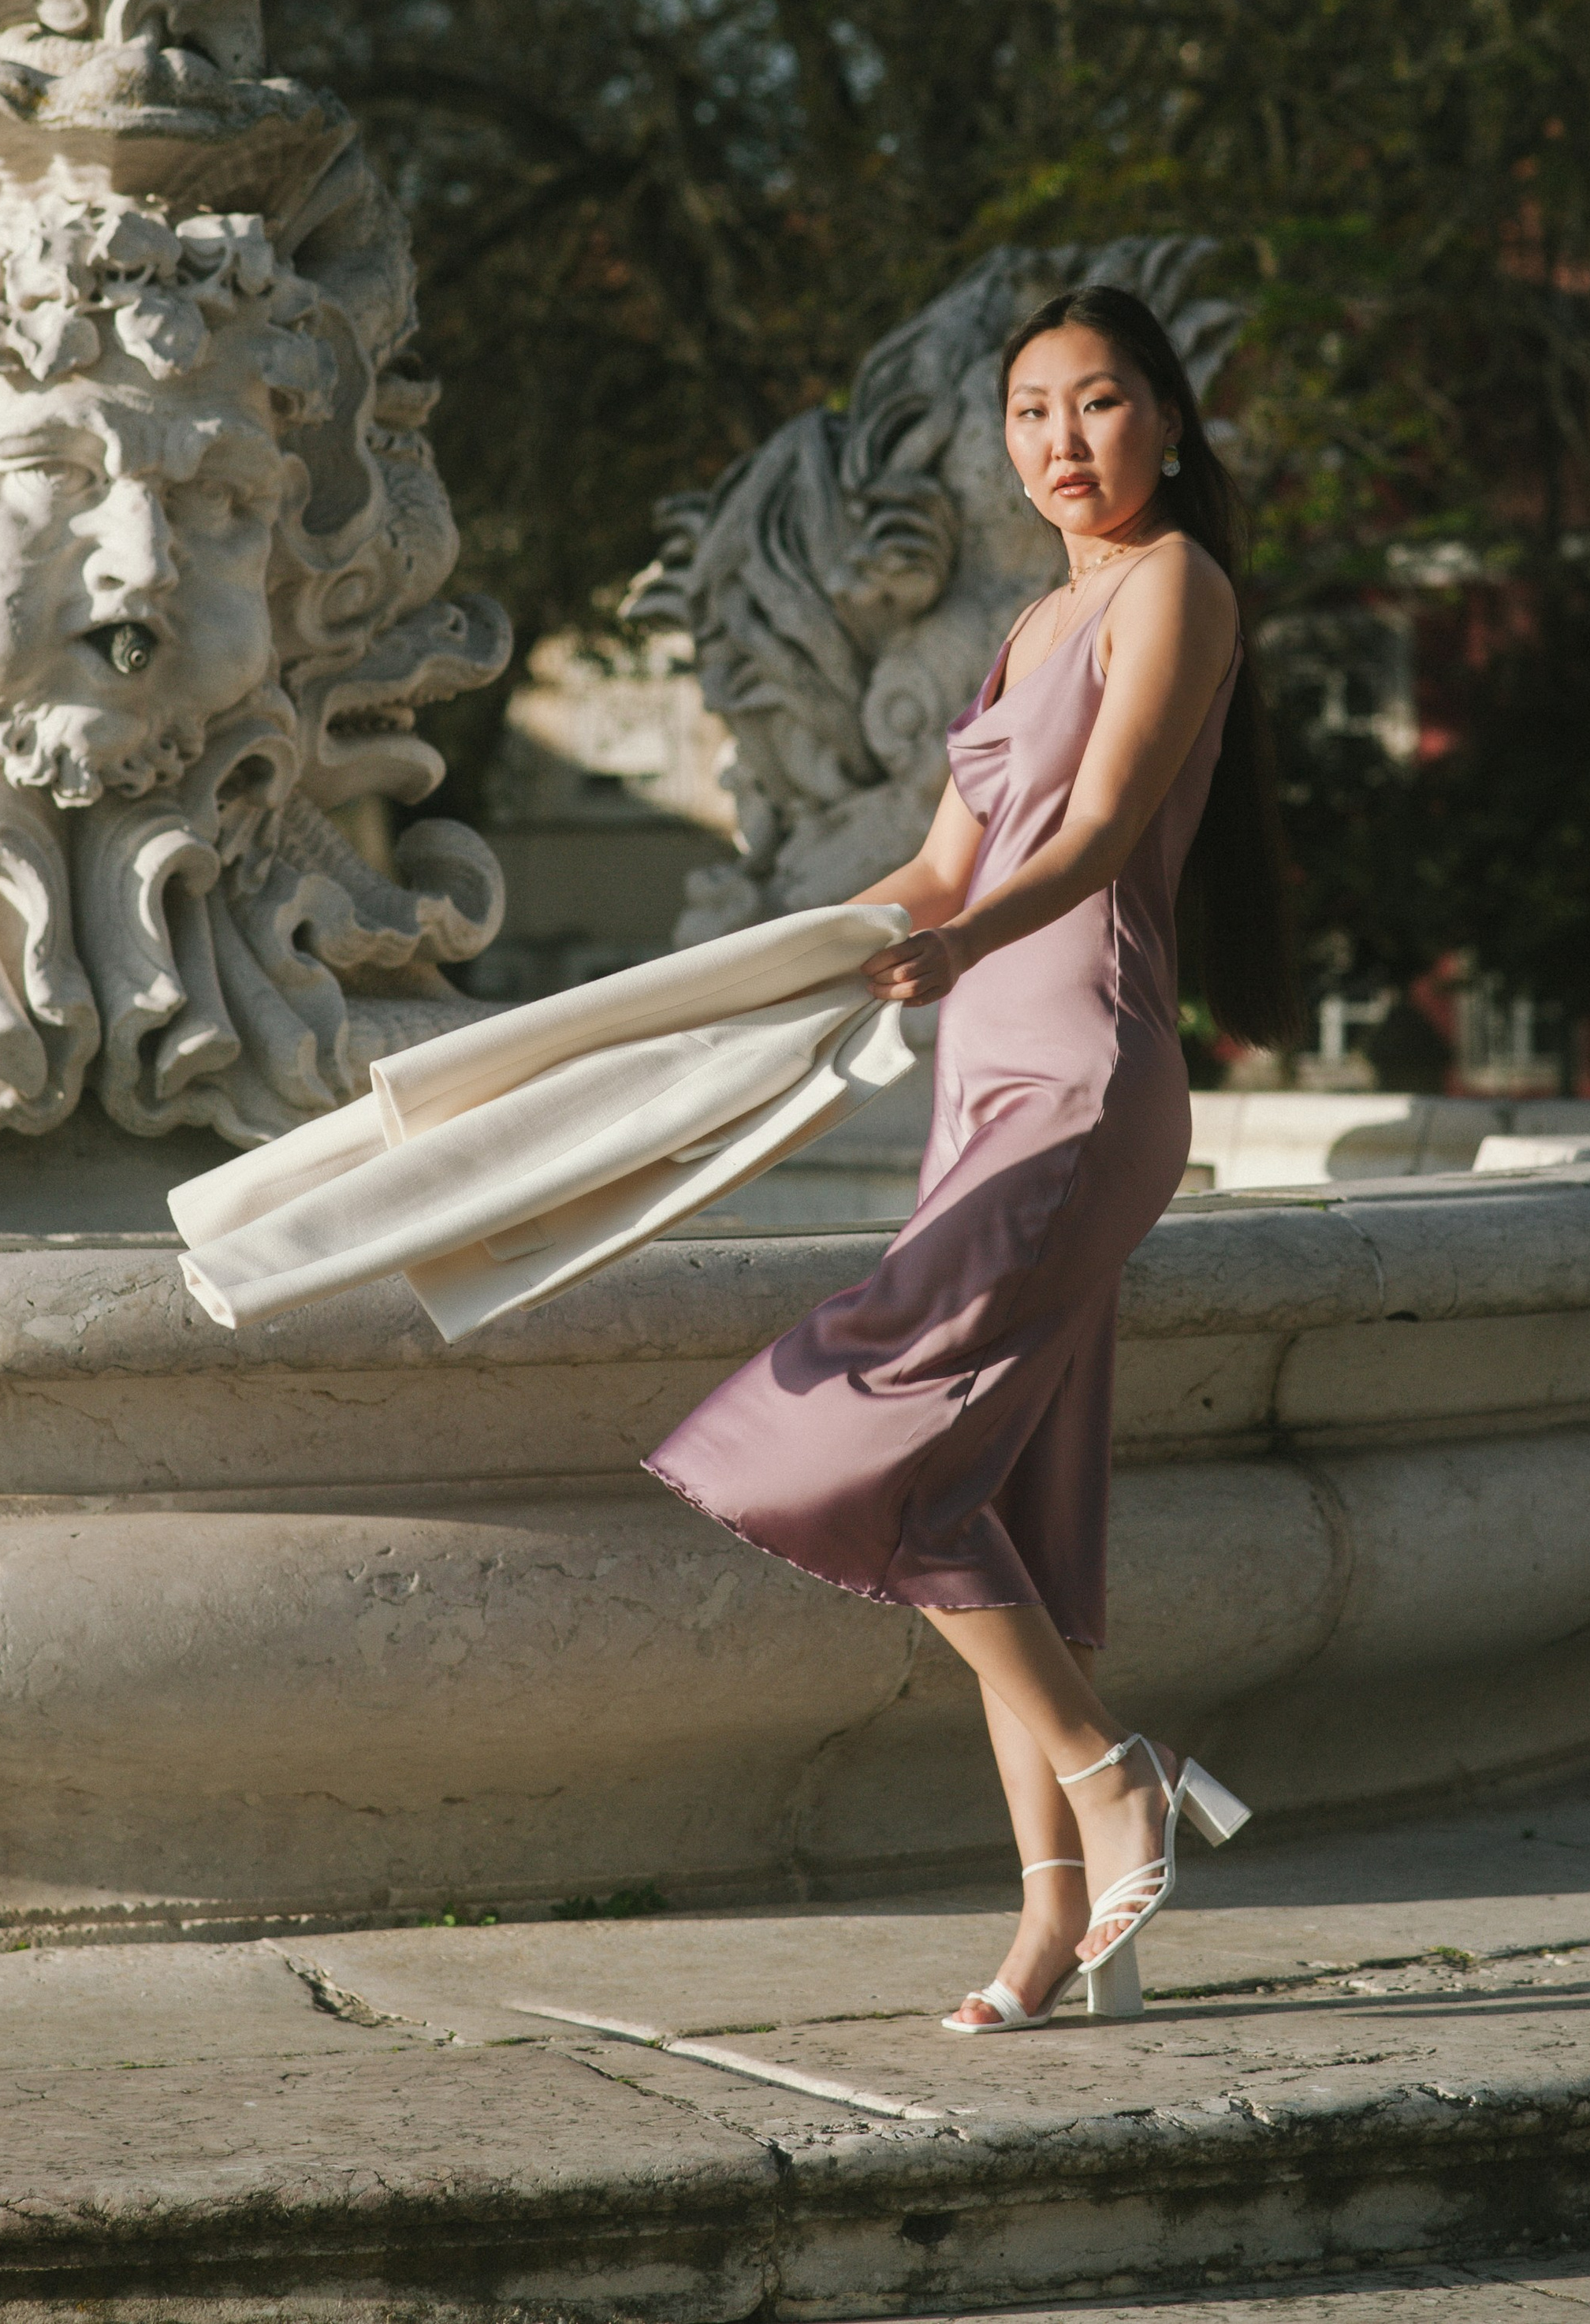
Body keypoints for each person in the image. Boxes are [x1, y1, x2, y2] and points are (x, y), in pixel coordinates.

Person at [644, 282, 1298, 2032]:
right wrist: (734, 981)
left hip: (1080, 1077)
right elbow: (926, 877)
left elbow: (1083, 838)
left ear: (1163, 418)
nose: (1058, 442)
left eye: (1093, 404)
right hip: (980, 1089)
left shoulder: (1175, 588)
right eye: (1028, 412)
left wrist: (949, 944)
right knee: (999, 1504)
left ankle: (1112, 1773)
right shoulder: (1027, 624)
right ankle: (1058, 1933)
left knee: (862, 1443)